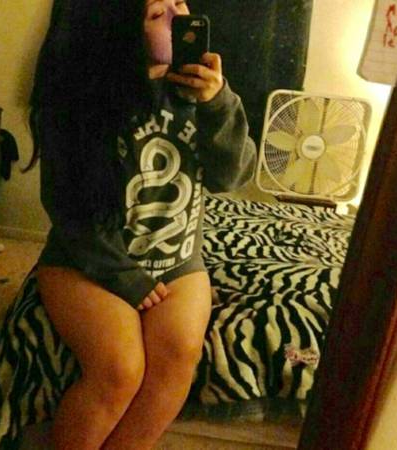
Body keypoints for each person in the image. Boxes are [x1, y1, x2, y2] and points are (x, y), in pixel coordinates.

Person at [26, 0, 257, 448]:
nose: (177, 16)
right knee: (119, 369)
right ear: (121, 29)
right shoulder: (76, 99)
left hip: (178, 262)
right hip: (88, 260)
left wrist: (219, 105)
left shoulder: (208, 96)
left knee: (179, 355)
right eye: (157, 14)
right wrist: (124, 278)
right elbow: (67, 208)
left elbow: (231, 178)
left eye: (178, 3)